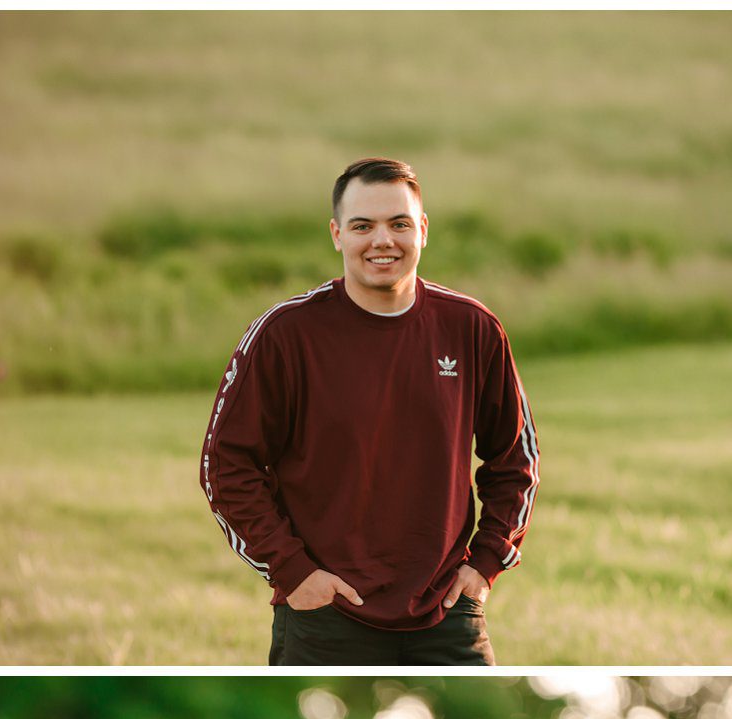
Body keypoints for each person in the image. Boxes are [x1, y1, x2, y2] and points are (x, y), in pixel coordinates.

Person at [199, 156, 540, 666]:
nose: (383, 241)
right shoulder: (285, 335)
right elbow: (226, 466)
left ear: (422, 230)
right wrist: (293, 572)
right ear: (337, 234)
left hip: (447, 617)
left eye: (399, 224)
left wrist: (485, 562)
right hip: (325, 617)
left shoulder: (472, 328)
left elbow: (515, 461)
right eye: (363, 226)